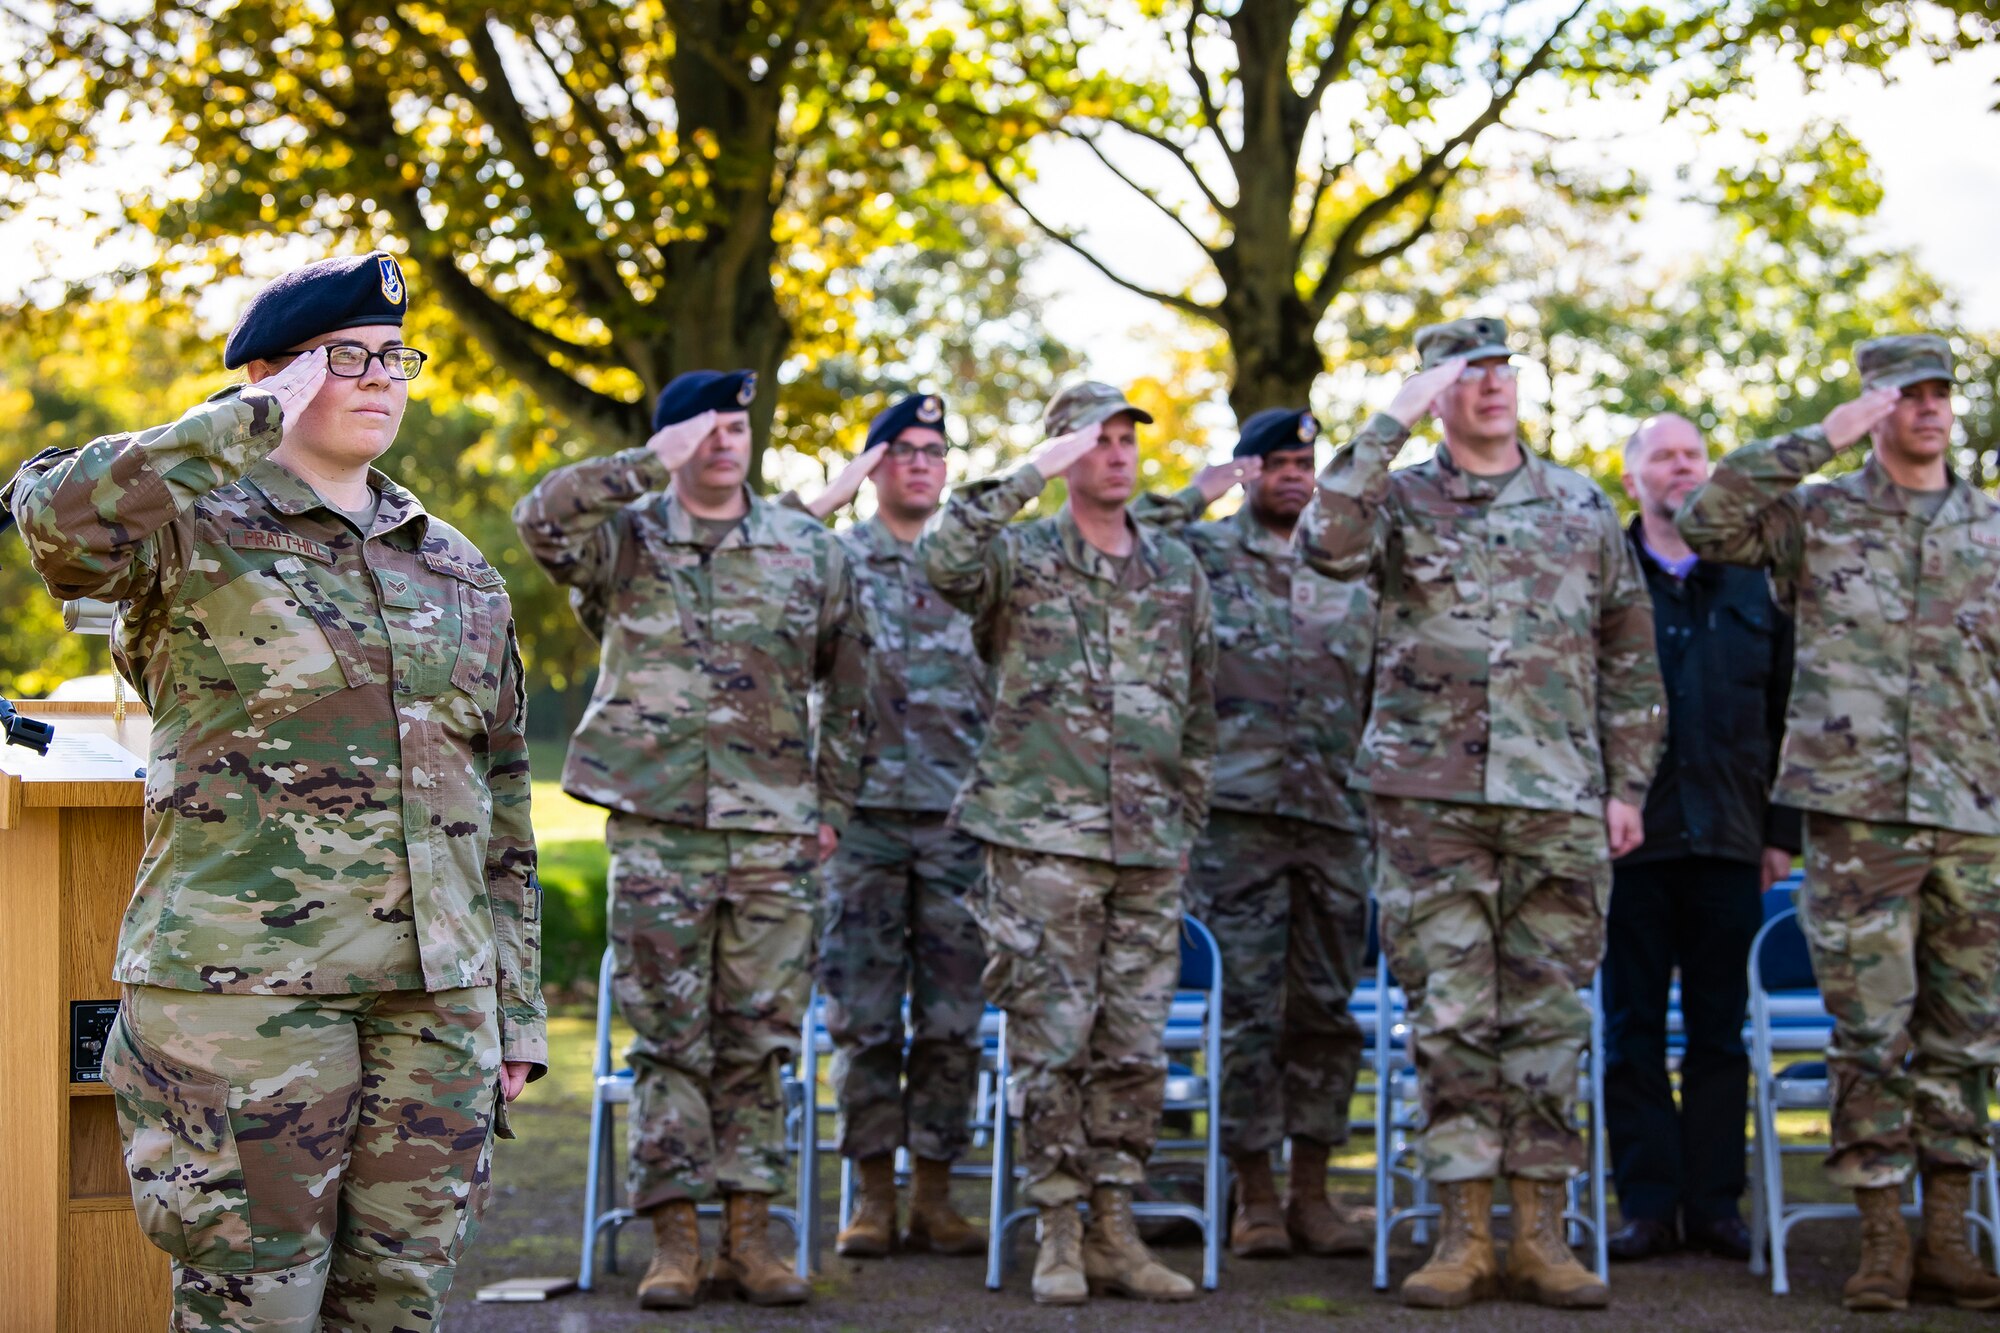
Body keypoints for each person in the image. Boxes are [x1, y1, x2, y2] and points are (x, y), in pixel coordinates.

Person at [6, 251, 545, 1329]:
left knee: (395, 1306)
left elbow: (502, 795)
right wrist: (237, 422)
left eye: (397, 357)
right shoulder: (188, 529)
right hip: (241, 999)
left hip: (433, 1008)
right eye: (347, 356)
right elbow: (55, 517)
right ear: (269, 377)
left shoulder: (456, 568)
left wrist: (515, 1005)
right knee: (254, 1306)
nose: (382, 376)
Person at [1298, 316, 1666, 1310]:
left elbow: (1629, 659)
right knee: (1451, 1020)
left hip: (1554, 798)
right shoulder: (1399, 498)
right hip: (1427, 803)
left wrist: (1625, 786)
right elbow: (1323, 543)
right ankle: (1460, 1235)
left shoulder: (1580, 505)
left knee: (1547, 1021)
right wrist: (1386, 425)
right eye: (1465, 373)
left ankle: (1540, 1235)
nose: (1489, 384)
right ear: (1433, 393)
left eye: (1500, 367)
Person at [513, 371, 865, 1309]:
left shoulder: (806, 548)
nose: (725, 438)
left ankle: (751, 1239)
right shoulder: (624, 541)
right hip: (660, 824)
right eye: (704, 425)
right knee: (669, 1037)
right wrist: (641, 466)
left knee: (758, 1040)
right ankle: (675, 1240)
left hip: (774, 830)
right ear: (671, 441)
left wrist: (830, 803)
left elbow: (854, 684)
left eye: (738, 423)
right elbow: (539, 521)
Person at [1679, 335, 2000, 1313]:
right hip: (1855, 821)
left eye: (1940, 392)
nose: (1929, 409)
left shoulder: (1989, 527)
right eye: (1907, 395)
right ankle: (1876, 1239)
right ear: (1872, 405)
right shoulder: (1813, 515)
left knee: (1965, 1038)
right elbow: (1704, 520)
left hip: (1973, 818)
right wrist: (1815, 439)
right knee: (1867, 1035)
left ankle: (1945, 1234)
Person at [921, 381, 1217, 1305]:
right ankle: (1056, 1227)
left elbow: (1199, 710)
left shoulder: (1176, 568)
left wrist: (1183, 823)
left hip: (1147, 848)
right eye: (1099, 439)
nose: (1120, 453)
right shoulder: (1016, 557)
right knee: (1053, 1041)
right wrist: (1026, 475)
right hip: (1040, 841)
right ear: (1060, 452)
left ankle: (1117, 1227)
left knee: (1132, 1045)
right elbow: (943, 554)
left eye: (1129, 439)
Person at [1130, 407, 1376, 1260]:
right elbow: (1125, 536)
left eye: (1306, 460)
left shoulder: (1354, 562)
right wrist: (1195, 495)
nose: (1296, 474)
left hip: (1340, 815)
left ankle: (1314, 1190)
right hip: (1236, 820)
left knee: (1327, 1011)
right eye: (1276, 462)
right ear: (1247, 472)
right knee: (1245, 1014)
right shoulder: (1203, 557)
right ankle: (1254, 1194)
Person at [782, 392, 991, 1259]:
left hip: (958, 822)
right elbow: (766, 541)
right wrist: (831, 496)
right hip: (857, 821)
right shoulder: (834, 556)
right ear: (873, 465)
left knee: (952, 1018)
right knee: (863, 1015)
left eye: (935, 450)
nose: (920, 462)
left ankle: (936, 1191)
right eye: (900, 449)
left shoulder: (978, 564)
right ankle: (870, 1191)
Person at [1604, 413, 1802, 1263]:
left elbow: (1789, 707)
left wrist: (1779, 832)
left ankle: (1717, 1202)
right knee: (1631, 1029)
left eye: (1695, 455)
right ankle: (1647, 1205)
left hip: (1731, 836)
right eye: (1665, 455)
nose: (1683, 467)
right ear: (1632, 479)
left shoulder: (1759, 580)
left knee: (1722, 1032)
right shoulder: (1601, 573)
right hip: (1630, 841)